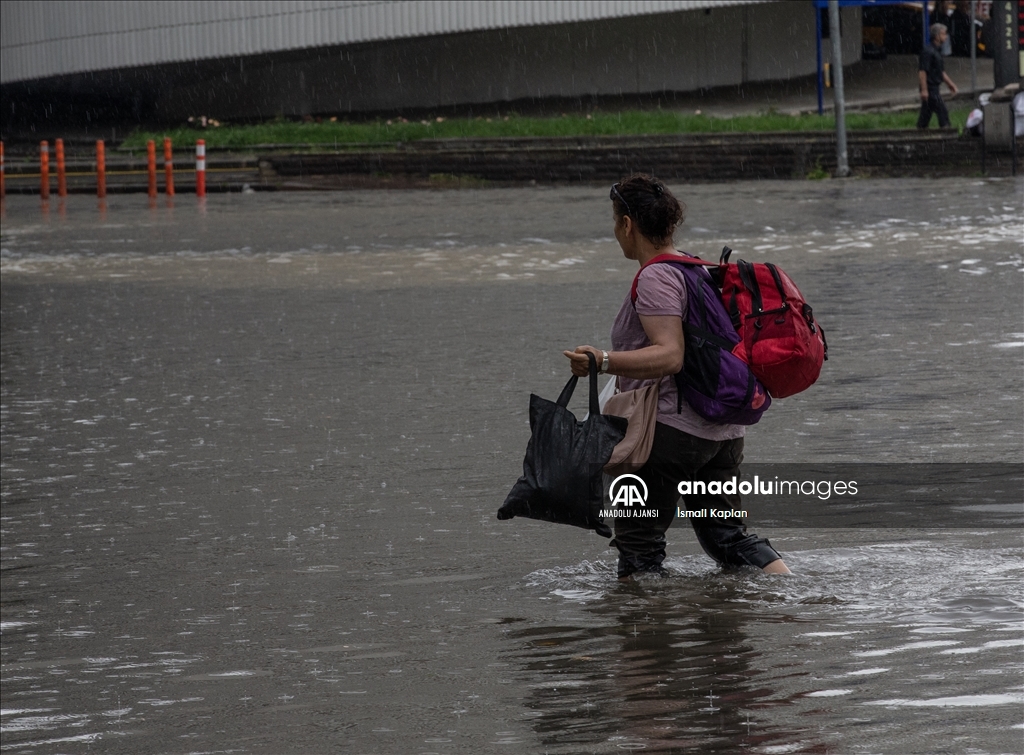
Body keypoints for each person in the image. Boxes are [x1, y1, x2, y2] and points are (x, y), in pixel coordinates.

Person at [563, 174, 791, 580]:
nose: (616, 232)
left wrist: (602, 360)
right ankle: (794, 594)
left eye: (615, 222)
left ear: (628, 224)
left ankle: (648, 638)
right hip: (721, 434)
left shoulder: (654, 276)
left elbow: (670, 355)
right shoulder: (695, 268)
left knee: (639, 547)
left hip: (665, 438)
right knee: (730, 539)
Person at [918, 22, 959, 129]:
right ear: (937, 36)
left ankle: (919, 134)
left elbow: (940, 71)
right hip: (930, 89)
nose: (945, 36)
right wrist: (924, 90)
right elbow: (922, 72)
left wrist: (950, 84)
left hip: (934, 88)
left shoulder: (937, 52)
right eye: (943, 34)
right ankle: (947, 133)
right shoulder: (928, 52)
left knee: (925, 117)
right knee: (942, 112)